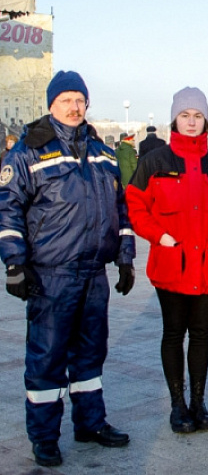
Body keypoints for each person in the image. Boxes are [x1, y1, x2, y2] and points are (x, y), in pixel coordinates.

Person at [0, 70, 135, 467]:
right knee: (47, 356)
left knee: (91, 355)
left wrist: (125, 257)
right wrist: (14, 264)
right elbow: (7, 211)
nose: (74, 108)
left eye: (80, 100)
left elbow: (120, 208)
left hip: (94, 273)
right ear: (51, 105)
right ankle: (44, 436)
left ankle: (90, 423)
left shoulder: (102, 151)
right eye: (66, 101)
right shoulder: (28, 151)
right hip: (51, 274)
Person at [126, 87, 208, 434]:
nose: (192, 122)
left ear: (206, 121)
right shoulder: (155, 162)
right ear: (174, 120)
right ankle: (177, 405)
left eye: (198, 116)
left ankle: (198, 403)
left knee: (201, 333)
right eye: (185, 116)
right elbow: (134, 205)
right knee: (173, 332)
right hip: (171, 265)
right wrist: (160, 237)